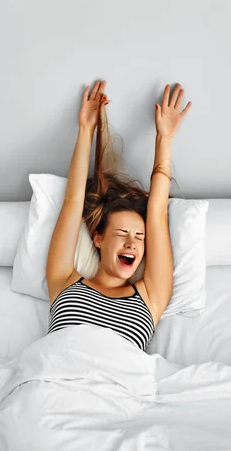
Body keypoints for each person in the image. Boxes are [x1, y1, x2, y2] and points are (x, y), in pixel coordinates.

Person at [46, 80, 192, 352]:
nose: (132, 243)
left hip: (117, 389)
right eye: (122, 233)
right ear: (98, 238)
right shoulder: (64, 280)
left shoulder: (150, 296)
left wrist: (165, 139)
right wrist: (86, 130)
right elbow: (72, 202)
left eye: (139, 236)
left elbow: (157, 214)